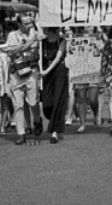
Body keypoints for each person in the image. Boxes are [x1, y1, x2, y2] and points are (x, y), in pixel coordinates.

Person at [5, 15, 44, 144]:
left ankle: (37, 120)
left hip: (32, 71)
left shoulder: (37, 33)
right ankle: (21, 133)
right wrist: (30, 41)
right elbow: (11, 52)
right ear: (20, 25)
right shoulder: (12, 35)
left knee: (33, 102)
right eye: (26, 24)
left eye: (30, 23)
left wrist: (33, 40)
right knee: (18, 105)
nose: (30, 26)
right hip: (17, 73)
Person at [40, 27, 69, 144]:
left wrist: (47, 71)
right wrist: (41, 69)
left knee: (58, 99)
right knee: (47, 103)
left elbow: (58, 58)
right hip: (46, 71)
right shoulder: (41, 42)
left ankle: (54, 132)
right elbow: (39, 56)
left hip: (59, 71)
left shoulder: (61, 40)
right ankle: (53, 119)